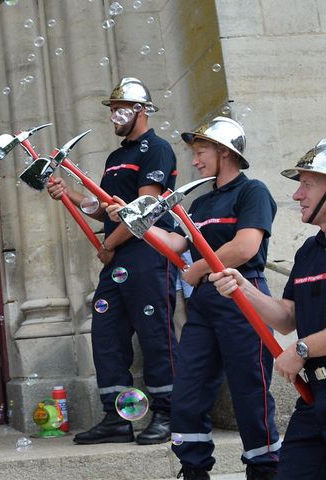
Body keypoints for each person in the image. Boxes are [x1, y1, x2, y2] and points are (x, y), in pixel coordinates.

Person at [108, 117, 279, 479]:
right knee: (188, 390)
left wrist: (198, 268)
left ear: (224, 152)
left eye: (201, 152)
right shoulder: (200, 204)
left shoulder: (253, 192)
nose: (196, 161)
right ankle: (194, 469)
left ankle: (265, 471)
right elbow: (175, 244)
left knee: (251, 394)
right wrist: (132, 219)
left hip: (242, 296)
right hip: (204, 305)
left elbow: (245, 246)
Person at [47, 77, 178, 445]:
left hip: (149, 253)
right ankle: (116, 418)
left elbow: (145, 210)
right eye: (111, 110)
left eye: (119, 110)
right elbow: (103, 210)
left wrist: (110, 247)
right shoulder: (116, 157)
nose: (113, 118)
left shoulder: (157, 149)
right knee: (106, 335)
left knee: (155, 335)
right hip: (119, 259)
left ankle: (169, 412)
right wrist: (68, 195)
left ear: (140, 111)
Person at [211, 138, 326, 479]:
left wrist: (302, 350)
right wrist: (244, 290)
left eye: (307, 185)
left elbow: (296, 340)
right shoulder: (308, 251)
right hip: (314, 397)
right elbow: (288, 318)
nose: (296, 195)